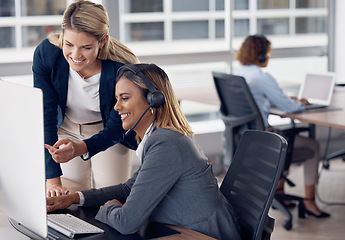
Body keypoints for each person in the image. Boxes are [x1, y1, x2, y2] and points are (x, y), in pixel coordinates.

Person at [46, 63, 241, 240]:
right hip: (184, 228)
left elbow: (126, 222)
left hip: (202, 235)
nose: (116, 106)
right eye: (116, 99)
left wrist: (109, 208)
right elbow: (129, 188)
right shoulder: (160, 138)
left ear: (153, 100)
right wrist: (75, 198)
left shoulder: (167, 143)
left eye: (125, 98)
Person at [33, 0, 139, 197]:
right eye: (69, 44)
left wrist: (81, 148)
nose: (75, 55)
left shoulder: (122, 68)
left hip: (107, 130)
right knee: (70, 198)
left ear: (103, 41)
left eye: (86, 47)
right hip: (66, 127)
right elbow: (45, 115)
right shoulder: (47, 54)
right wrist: (53, 182)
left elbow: (117, 126)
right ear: (62, 36)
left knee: (111, 198)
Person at [234, 34, 330, 218]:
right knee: (313, 146)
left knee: (285, 136)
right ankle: (309, 201)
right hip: (265, 141)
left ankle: (279, 192)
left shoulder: (238, 74)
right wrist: (301, 103)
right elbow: (290, 108)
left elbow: (263, 99)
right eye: (267, 53)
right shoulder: (262, 77)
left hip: (246, 139)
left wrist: (283, 98)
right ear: (261, 55)